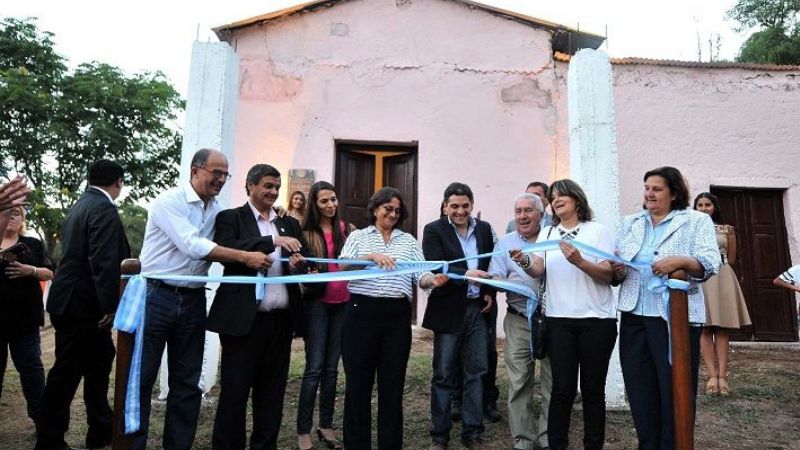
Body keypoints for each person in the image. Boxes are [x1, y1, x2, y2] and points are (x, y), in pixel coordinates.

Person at [133, 149, 278, 450]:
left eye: (225, 174)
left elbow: (237, 234)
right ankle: (133, 444)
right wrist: (245, 257)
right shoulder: (168, 202)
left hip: (194, 300)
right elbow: (192, 245)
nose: (221, 180)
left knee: (187, 383)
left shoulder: (218, 211)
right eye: (216, 173)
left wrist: (275, 224)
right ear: (195, 170)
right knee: (142, 378)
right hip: (156, 296)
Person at [611, 166, 720, 450]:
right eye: (647, 188)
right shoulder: (631, 222)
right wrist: (616, 268)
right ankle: (647, 444)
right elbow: (620, 271)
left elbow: (710, 263)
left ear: (674, 193)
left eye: (656, 189)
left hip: (675, 319)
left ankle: (673, 444)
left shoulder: (695, 221)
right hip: (634, 316)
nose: (649, 194)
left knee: (675, 389)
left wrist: (681, 261)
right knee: (640, 388)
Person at [207, 164, 308, 450]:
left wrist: (299, 261)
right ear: (250, 186)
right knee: (235, 394)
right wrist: (273, 241)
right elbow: (228, 249)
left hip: (280, 322)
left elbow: (302, 257)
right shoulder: (230, 218)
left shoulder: (290, 223)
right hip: (243, 323)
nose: (274, 192)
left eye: (277, 187)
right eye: (268, 186)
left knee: (272, 394)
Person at [510, 179, 617, 450]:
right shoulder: (547, 234)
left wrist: (579, 261)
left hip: (597, 321)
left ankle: (593, 445)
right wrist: (524, 261)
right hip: (559, 322)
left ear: (576, 200)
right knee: (562, 390)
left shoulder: (597, 231)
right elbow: (538, 269)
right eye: (553, 197)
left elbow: (608, 275)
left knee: (593, 392)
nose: (555, 200)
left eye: (562, 196)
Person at [339, 187, 448, 450]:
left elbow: (419, 276)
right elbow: (343, 264)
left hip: (396, 318)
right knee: (358, 386)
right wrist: (371, 257)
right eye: (388, 208)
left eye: (397, 210)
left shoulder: (408, 241)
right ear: (375, 209)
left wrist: (433, 280)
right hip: (360, 313)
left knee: (392, 386)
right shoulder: (358, 236)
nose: (393, 214)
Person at [35, 160, 131, 450]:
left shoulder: (80, 205)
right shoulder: (103, 208)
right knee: (66, 374)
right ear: (118, 182)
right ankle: (49, 440)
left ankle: (101, 430)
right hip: (83, 306)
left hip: (71, 300)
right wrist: (110, 307)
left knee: (100, 360)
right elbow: (102, 261)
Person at [422, 182, 496, 450]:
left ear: (472, 205)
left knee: (476, 372)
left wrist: (488, 291)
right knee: (443, 374)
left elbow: (490, 264)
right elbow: (435, 262)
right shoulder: (433, 229)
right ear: (445, 206)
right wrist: (467, 274)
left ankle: (472, 433)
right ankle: (440, 436)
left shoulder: (485, 229)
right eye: (454, 206)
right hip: (448, 309)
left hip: (477, 309)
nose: (460, 211)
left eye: (465, 206)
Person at [488, 193, 552, 450]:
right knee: (519, 381)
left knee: (553, 380)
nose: (523, 216)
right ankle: (523, 440)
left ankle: (548, 437)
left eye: (528, 210)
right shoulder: (506, 242)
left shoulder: (552, 238)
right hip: (518, 318)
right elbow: (495, 274)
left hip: (553, 319)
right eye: (518, 211)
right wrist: (492, 279)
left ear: (540, 214)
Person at [296, 181, 354, 450]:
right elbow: (298, 269)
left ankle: (326, 425)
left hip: (343, 304)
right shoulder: (305, 233)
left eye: (333, 199)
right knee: (314, 369)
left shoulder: (348, 230)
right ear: (314, 204)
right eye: (324, 201)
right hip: (317, 305)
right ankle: (303, 430)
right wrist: (306, 273)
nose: (331, 205)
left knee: (332, 369)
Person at [694, 192, 751, 396]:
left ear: (714, 207)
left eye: (707, 204)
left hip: (723, 275)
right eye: (699, 205)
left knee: (723, 328)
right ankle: (711, 375)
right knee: (705, 327)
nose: (703, 208)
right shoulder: (693, 227)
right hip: (702, 277)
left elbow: (733, 258)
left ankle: (723, 377)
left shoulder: (727, 229)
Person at [0, 206, 53, 428]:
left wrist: (29, 270)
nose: (13, 216)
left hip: (26, 320)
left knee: (31, 368)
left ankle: (41, 420)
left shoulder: (32, 244)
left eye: (18, 213)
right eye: (7, 212)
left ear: (23, 219)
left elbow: (50, 272)